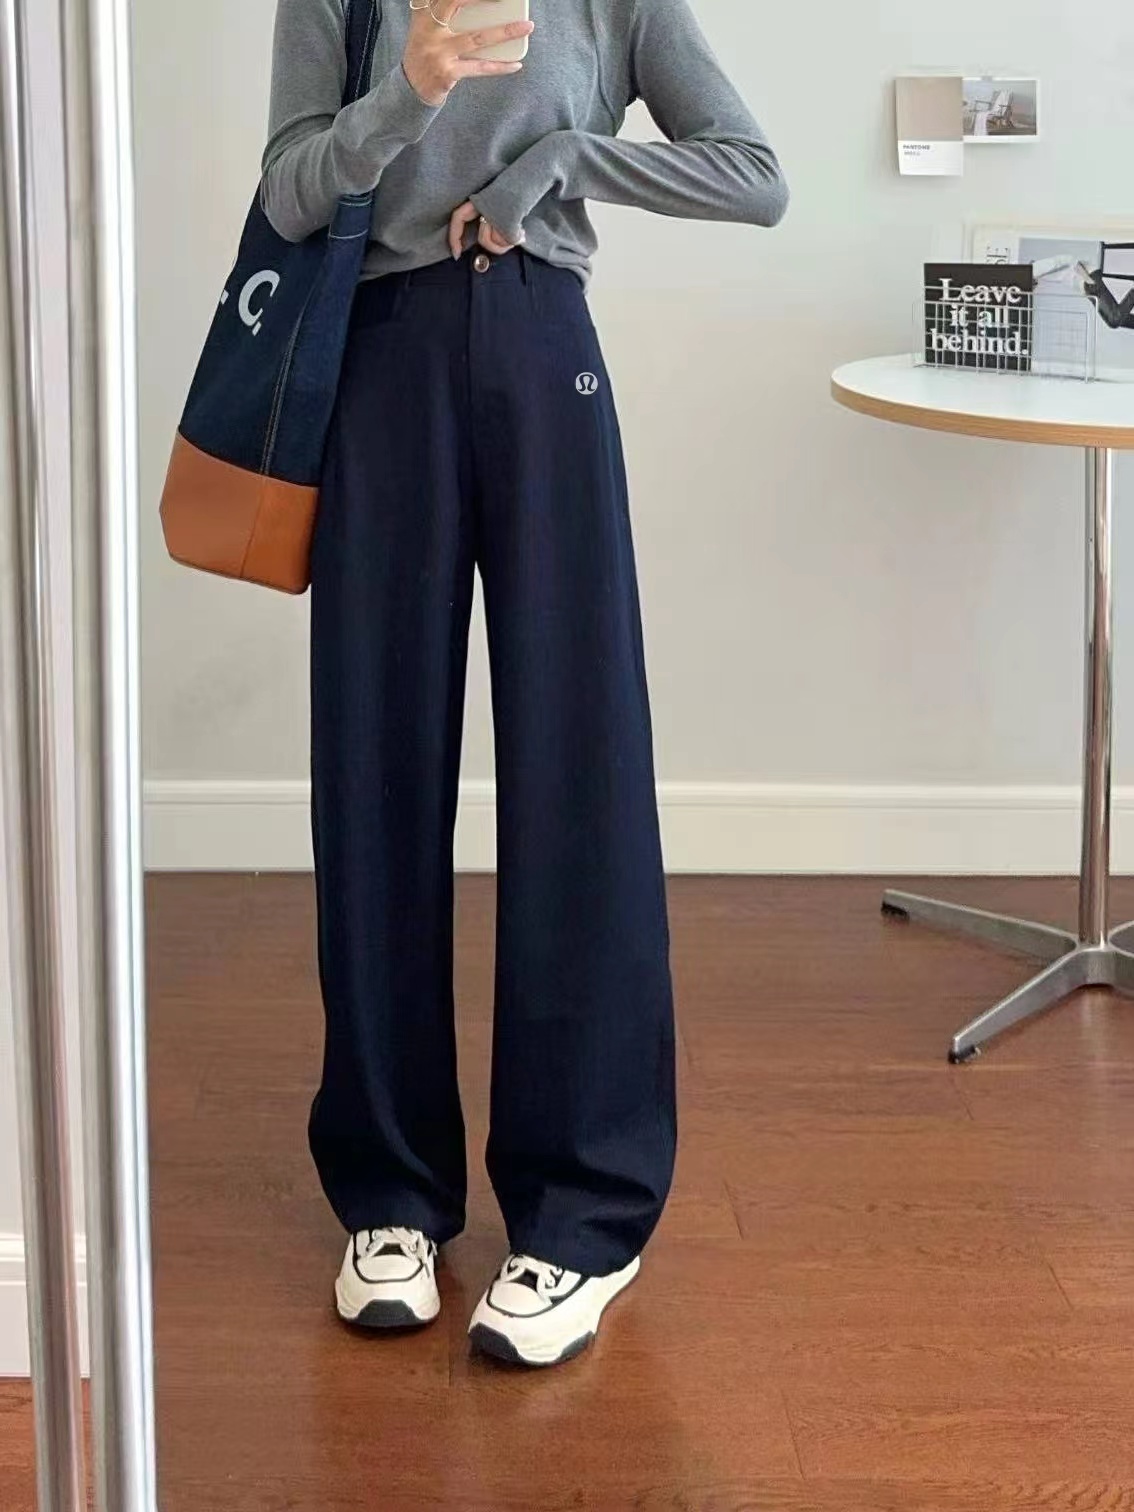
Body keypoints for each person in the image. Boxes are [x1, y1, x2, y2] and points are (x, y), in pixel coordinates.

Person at [261, 0, 787, 1368]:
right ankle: (390, 1195)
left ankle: (582, 1214)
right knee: (374, 770)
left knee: (578, 767)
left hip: (545, 349)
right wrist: (408, 91)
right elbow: (289, 190)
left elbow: (754, 175)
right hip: (379, 362)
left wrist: (556, 163)